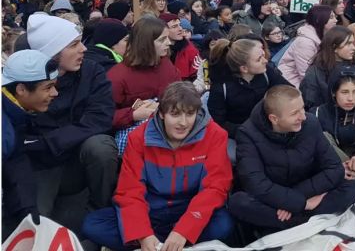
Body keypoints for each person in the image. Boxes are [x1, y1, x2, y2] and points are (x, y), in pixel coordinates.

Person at [82, 81, 234, 251]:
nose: (183, 122)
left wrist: (184, 230)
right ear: (161, 113)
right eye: (175, 114)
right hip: (152, 210)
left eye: (190, 114)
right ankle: (159, 244)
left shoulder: (215, 135)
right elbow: (130, 190)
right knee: (92, 224)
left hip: (189, 207)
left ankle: (165, 243)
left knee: (223, 224)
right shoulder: (138, 138)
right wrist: (143, 234)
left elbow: (215, 188)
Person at [23, 14, 119, 225]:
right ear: (54, 53)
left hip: (79, 156)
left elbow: (101, 117)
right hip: (42, 165)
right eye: (74, 45)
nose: (83, 48)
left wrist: (54, 141)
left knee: (101, 146)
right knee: (36, 225)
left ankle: (101, 210)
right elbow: (26, 132)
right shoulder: (26, 81)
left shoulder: (92, 71)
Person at [228, 85, 355, 234]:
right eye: (295, 113)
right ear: (274, 118)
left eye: (302, 109)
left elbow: (334, 168)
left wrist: (295, 200)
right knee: (238, 202)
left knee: (353, 187)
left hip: (302, 190)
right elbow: (256, 184)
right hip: (273, 197)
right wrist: (302, 203)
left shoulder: (310, 123)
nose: (303, 116)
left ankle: (287, 224)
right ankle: (307, 222)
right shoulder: (248, 134)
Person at [2, 50, 60, 238]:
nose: (55, 93)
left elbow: (16, 166)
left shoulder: (14, 113)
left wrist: (30, 216)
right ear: (21, 89)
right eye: (48, 87)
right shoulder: (5, 130)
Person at [207, 38, 291, 159]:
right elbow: (219, 122)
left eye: (263, 55)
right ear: (244, 68)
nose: (265, 61)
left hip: (269, 126)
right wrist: (248, 131)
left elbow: (288, 91)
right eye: (259, 59)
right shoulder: (221, 88)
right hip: (239, 132)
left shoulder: (267, 74)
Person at [107, 17, 181, 135]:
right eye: (162, 39)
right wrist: (133, 115)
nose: (168, 42)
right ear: (145, 44)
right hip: (136, 133)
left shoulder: (166, 64)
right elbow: (104, 116)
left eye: (167, 37)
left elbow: (180, 93)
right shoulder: (117, 76)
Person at [300, 26, 355, 110]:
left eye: (353, 43)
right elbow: (309, 104)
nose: (353, 48)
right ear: (334, 47)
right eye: (348, 44)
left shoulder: (354, 66)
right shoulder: (314, 73)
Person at [277, 5, 336, 87]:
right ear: (319, 20)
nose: (336, 20)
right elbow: (305, 74)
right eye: (331, 17)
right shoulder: (305, 43)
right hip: (291, 83)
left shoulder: (324, 36)